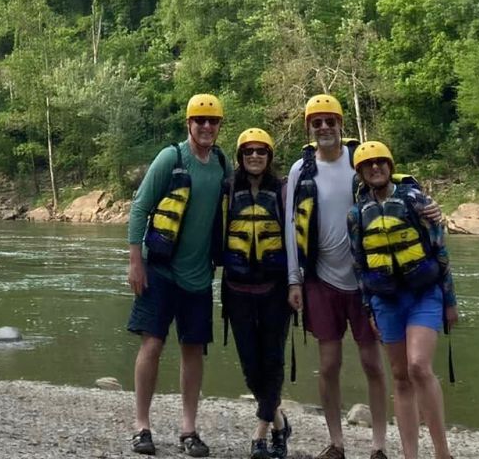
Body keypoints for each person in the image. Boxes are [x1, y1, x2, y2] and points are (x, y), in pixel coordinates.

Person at [284, 94, 390, 459]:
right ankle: (337, 441)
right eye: (317, 122)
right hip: (320, 278)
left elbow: (393, 189)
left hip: (365, 280)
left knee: (373, 363)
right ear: (309, 128)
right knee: (328, 364)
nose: (325, 127)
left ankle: (378, 444)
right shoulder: (301, 170)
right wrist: (293, 280)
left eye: (331, 120)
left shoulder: (360, 162)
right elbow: (288, 226)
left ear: (340, 124)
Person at [127, 93, 229, 458]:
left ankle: (189, 428)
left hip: (199, 276)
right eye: (199, 121)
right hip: (161, 270)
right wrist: (135, 261)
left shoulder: (220, 164)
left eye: (212, 122)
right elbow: (140, 208)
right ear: (189, 124)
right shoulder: (171, 158)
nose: (205, 127)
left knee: (192, 350)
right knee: (152, 345)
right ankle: (142, 425)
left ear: (219, 126)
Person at [347, 141, 457, 459]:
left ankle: (442, 452)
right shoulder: (356, 215)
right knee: (399, 375)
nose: (375, 167)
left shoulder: (415, 200)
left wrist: (450, 301)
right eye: (368, 165)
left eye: (381, 162)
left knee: (419, 366)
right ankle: (410, 454)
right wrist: (368, 308)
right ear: (361, 173)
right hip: (386, 301)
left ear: (390, 166)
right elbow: (360, 264)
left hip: (424, 293)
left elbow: (440, 251)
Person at [222, 128, 293, 459]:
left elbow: (298, 235)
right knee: (252, 368)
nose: (254, 156)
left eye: (261, 151)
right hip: (236, 291)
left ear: (269, 157)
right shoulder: (227, 191)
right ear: (239, 156)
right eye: (248, 151)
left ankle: (261, 435)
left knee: (273, 360)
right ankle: (280, 421)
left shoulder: (282, 191)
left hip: (275, 290)